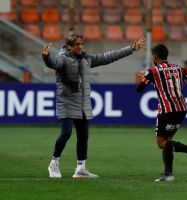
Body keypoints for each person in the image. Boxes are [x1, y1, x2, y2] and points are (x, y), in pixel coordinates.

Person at [42, 34, 145, 178]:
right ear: (69, 46)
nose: (80, 46)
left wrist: (130, 49)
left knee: (83, 136)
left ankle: (81, 169)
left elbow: (107, 57)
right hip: (67, 101)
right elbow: (54, 63)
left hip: (83, 103)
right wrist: (46, 56)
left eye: (82, 44)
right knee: (66, 133)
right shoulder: (63, 58)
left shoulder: (86, 59)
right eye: (77, 44)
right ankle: (54, 163)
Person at [136, 44, 187, 182]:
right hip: (182, 109)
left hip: (167, 109)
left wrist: (144, 76)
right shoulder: (179, 69)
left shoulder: (153, 70)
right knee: (168, 142)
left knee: (161, 143)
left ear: (154, 55)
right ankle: (168, 175)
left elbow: (139, 89)